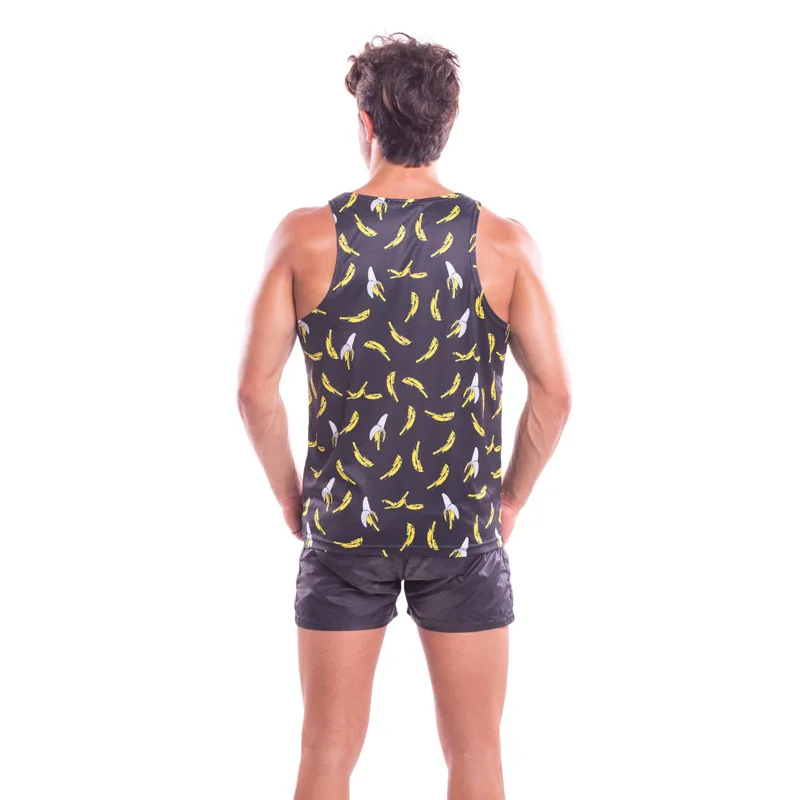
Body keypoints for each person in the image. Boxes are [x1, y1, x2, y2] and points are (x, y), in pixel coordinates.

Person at [237, 32, 571, 800]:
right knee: (476, 753)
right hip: (460, 529)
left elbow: (255, 392)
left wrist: (290, 494)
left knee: (326, 751)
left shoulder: (304, 237)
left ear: (366, 123)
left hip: (344, 526)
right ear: (446, 125)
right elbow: (555, 394)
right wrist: (510, 500)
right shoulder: (505, 244)